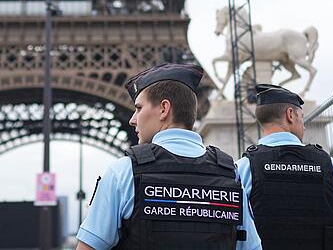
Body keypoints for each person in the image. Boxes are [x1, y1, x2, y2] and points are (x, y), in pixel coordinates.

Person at [76, 63, 262, 250]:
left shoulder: (124, 172)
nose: (133, 119)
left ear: (164, 109)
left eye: (139, 108)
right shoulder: (230, 174)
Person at [235, 83, 333, 250]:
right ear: (290, 115)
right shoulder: (330, 167)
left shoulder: (242, 169)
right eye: (302, 117)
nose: (304, 125)